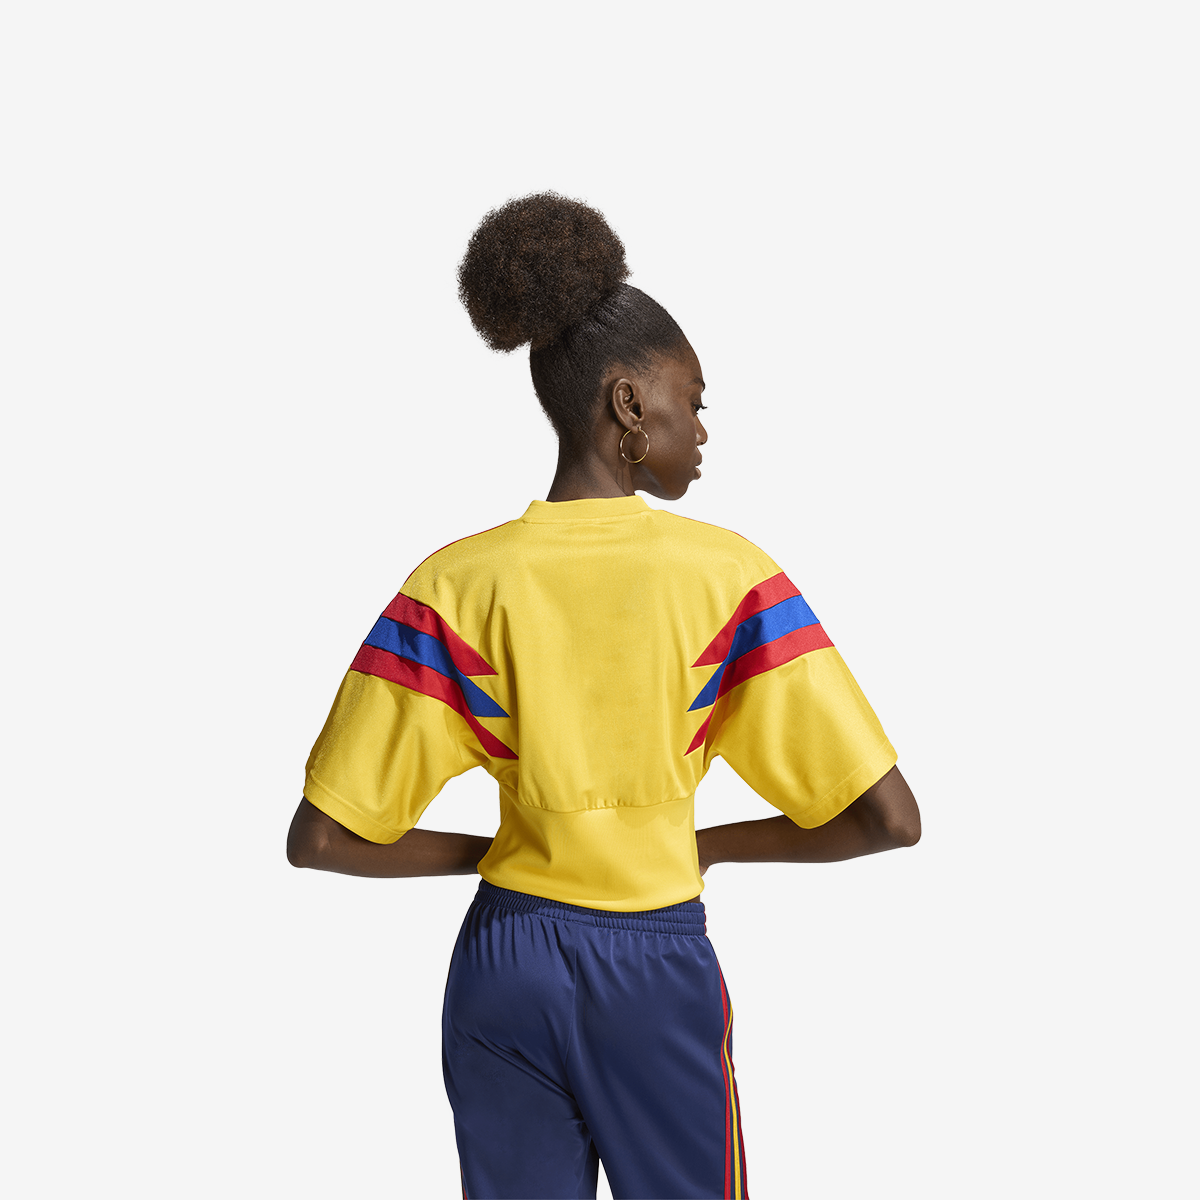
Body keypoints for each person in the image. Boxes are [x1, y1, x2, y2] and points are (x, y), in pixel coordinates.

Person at [286, 192, 921, 1200]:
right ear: (628, 404)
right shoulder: (731, 581)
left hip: (502, 967)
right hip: (650, 971)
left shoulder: (452, 586)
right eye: (692, 400)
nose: (700, 429)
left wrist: (507, 855)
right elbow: (889, 820)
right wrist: (706, 845)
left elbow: (322, 838)